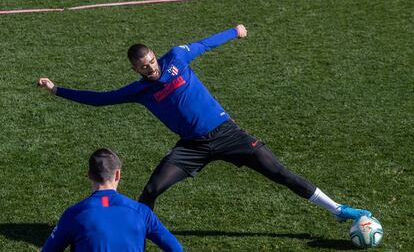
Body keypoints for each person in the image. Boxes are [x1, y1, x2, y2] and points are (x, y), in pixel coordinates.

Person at [38, 24, 372, 222]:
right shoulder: (139, 91)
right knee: (153, 189)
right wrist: (57, 90)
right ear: (135, 70)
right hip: (192, 148)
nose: (151, 68)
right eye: (144, 67)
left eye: (152, 62)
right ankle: (135, 234)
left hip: (228, 134)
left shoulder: (177, 59)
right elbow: (99, 99)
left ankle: (339, 209)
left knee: (280, 173)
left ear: (156, 56)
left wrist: (234, 32)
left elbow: (204, 44)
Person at [41, 148, 183, 252]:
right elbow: (175, 249)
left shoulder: (73, 214)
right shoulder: (141, 212)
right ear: (118, 174)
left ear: (89, 175)